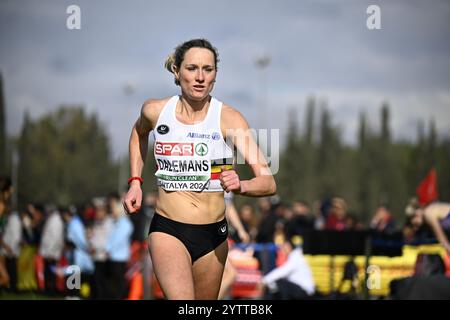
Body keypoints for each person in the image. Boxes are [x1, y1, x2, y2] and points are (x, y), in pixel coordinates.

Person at [123, 38, 276, 300]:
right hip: (168, 229)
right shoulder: (155, 111)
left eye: (208, 69)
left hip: (213, 235)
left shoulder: (229, 117)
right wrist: (135, 181)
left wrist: (243, 185)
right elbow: (138, 135)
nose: (200, 77)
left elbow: (268, 182)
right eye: (192, 68)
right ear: (176, 71)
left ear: (216, 74)